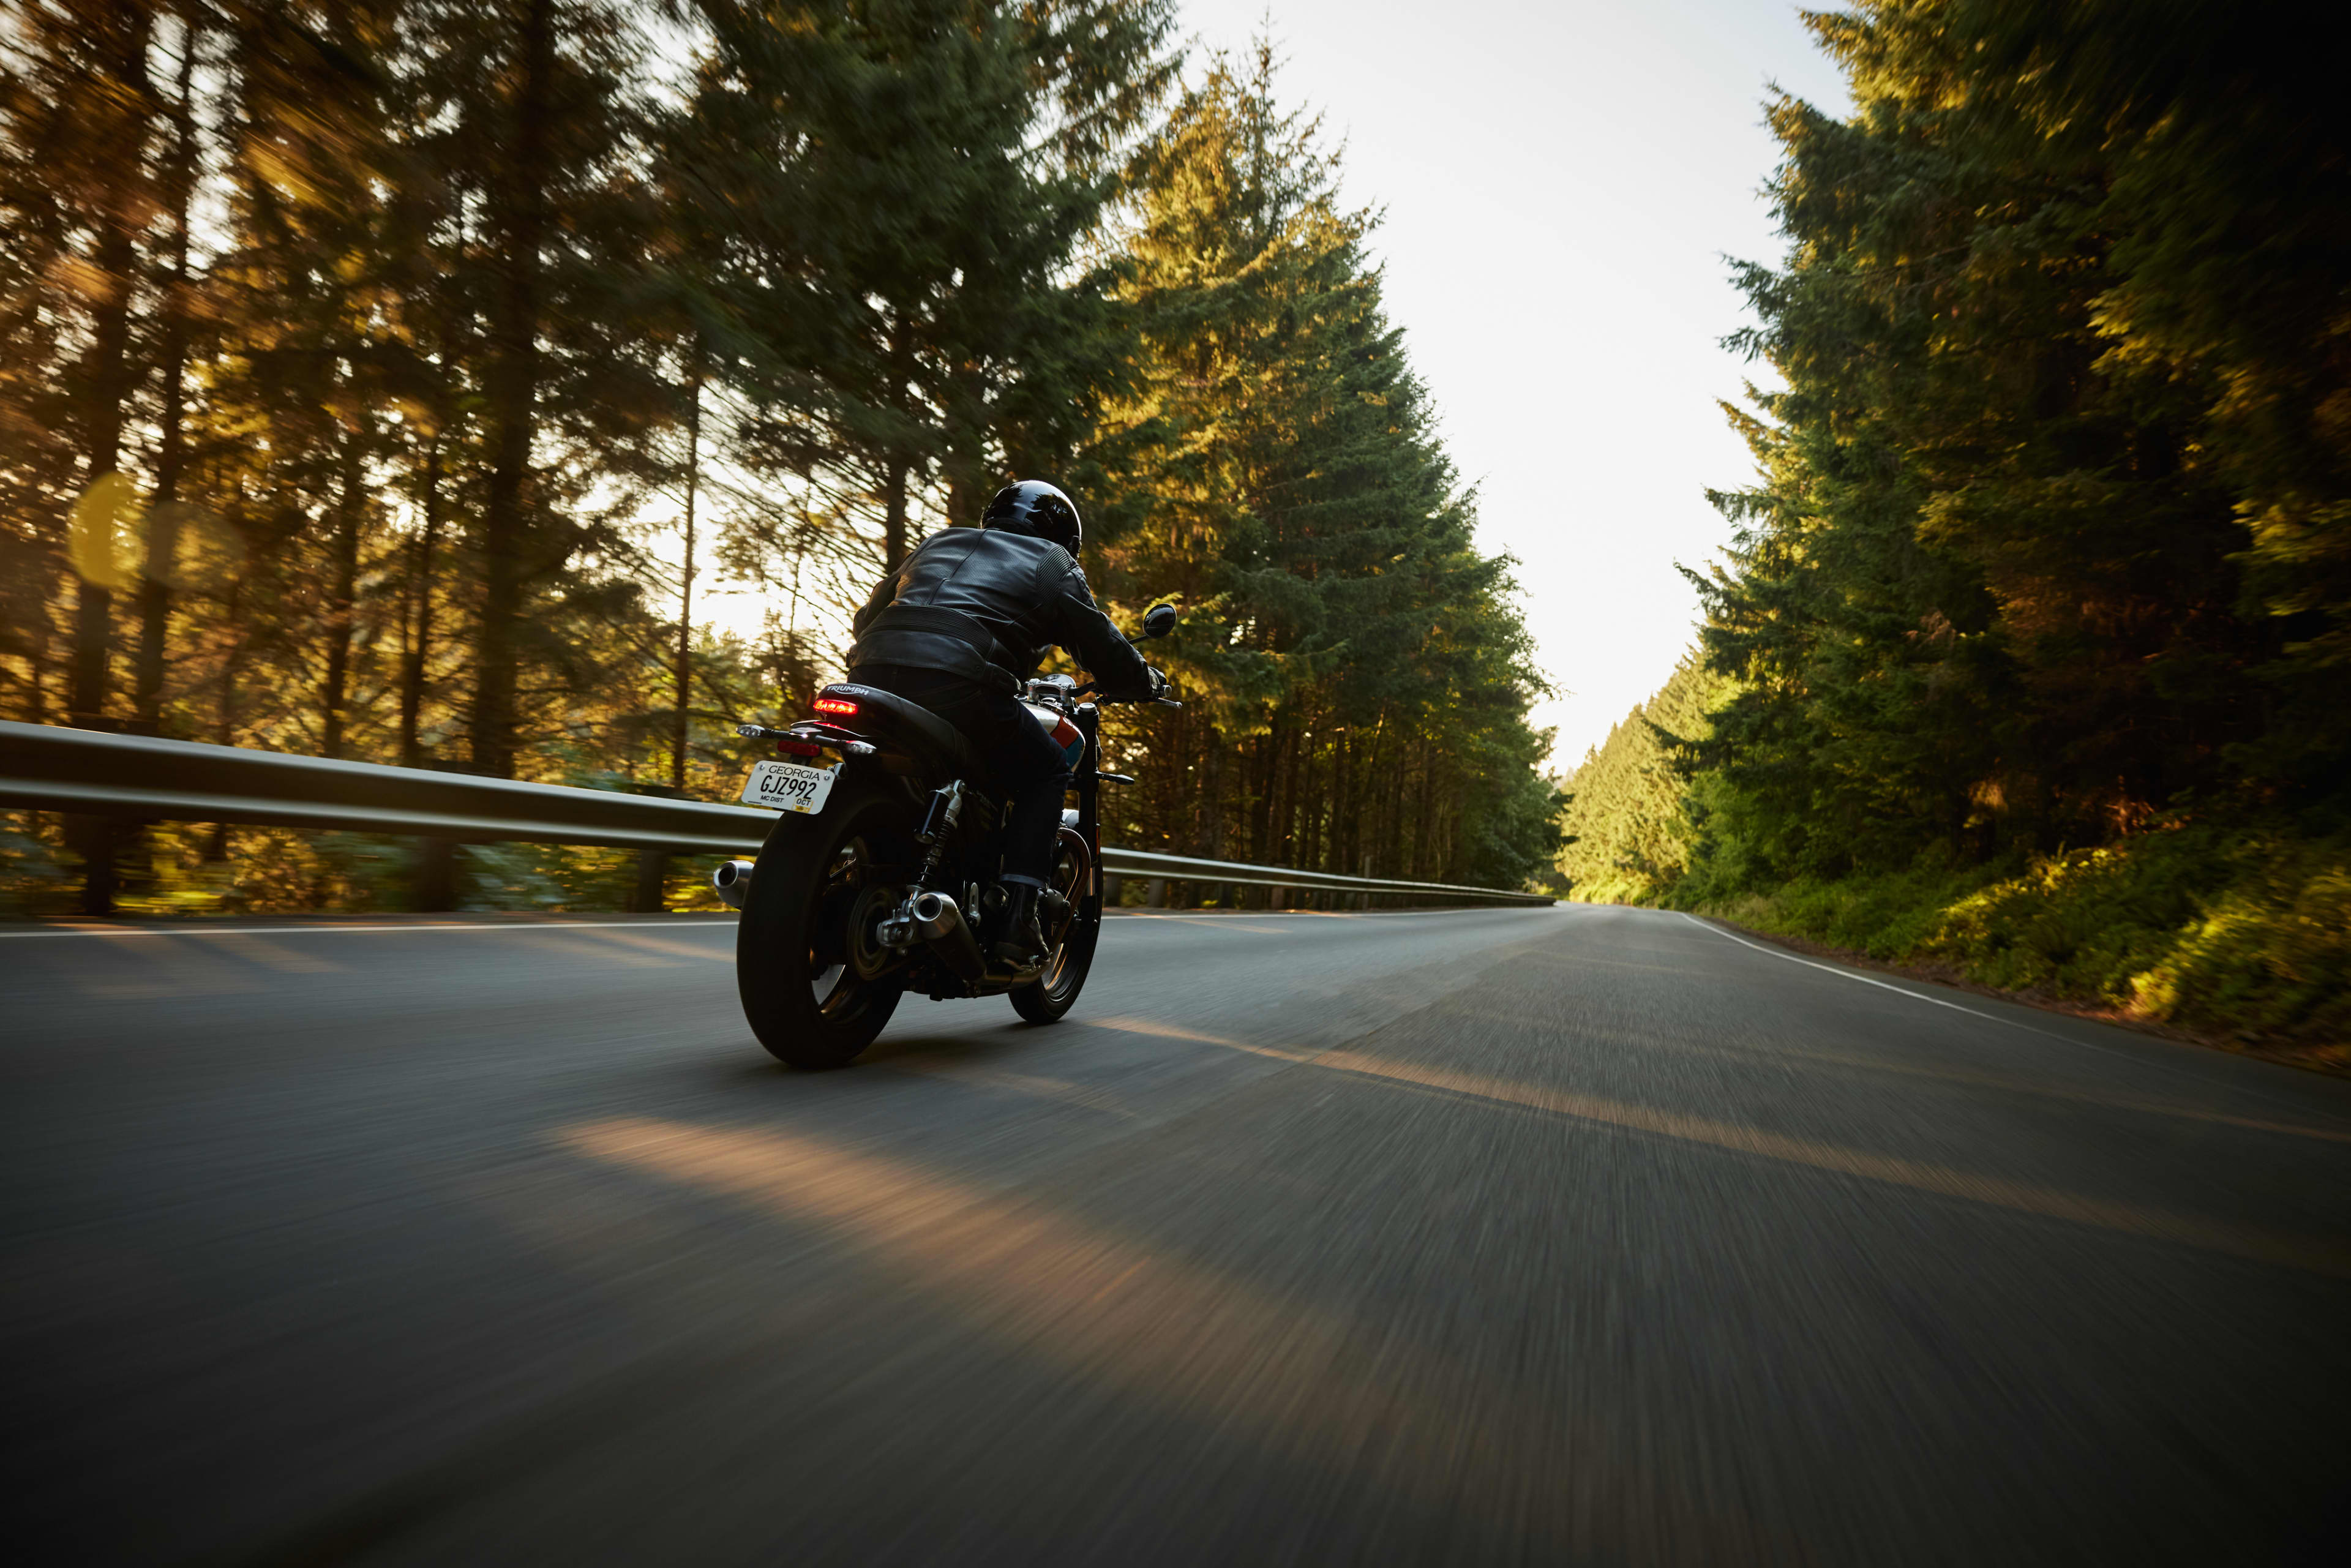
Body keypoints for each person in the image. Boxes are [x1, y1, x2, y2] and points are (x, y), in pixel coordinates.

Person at [844, 480, 1160, 967]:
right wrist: (1146, 681)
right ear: (1065, 538)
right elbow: (1104, 648)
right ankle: (1018, 921)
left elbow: (868, 615)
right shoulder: (1053, 563)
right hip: (961, 683)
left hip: (871, 671)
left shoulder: (940, 540)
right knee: (1048, 771)